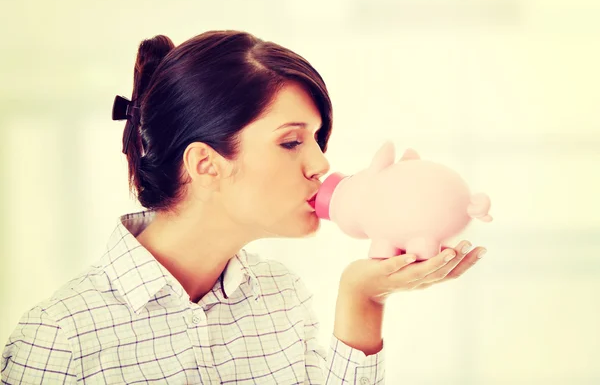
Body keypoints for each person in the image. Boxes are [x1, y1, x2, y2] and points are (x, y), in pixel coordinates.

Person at [1, 30, 488, 384]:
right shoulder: (62, 339)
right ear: (206, 165)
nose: (321, 164)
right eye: (292, 141)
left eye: (317, 138)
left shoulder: (280, 297)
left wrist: (363, 297)